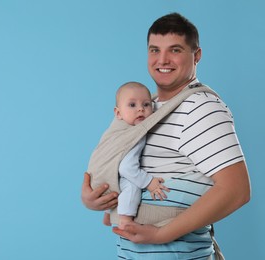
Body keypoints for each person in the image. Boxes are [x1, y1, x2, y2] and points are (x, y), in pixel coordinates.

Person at [81, 12, 251, 259]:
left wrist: (163, 235)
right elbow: (113, 159)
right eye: (154, 50)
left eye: (175, 50)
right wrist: (93, 198)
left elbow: (236, 190)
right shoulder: (142, 106)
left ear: (197, 56)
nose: (162, 60)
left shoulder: (200, 107)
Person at [100, 82, 169, 229]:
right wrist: (149, 182)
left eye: (146, 104)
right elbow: (127, 168)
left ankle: (108, 215)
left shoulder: (115, 130)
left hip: (104, 179)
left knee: (119, 187)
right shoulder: (134, 134)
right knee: (132, 186)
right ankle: (125, 219)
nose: (140, 109)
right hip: (115, 177)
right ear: (118, 113)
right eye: (132, 105)